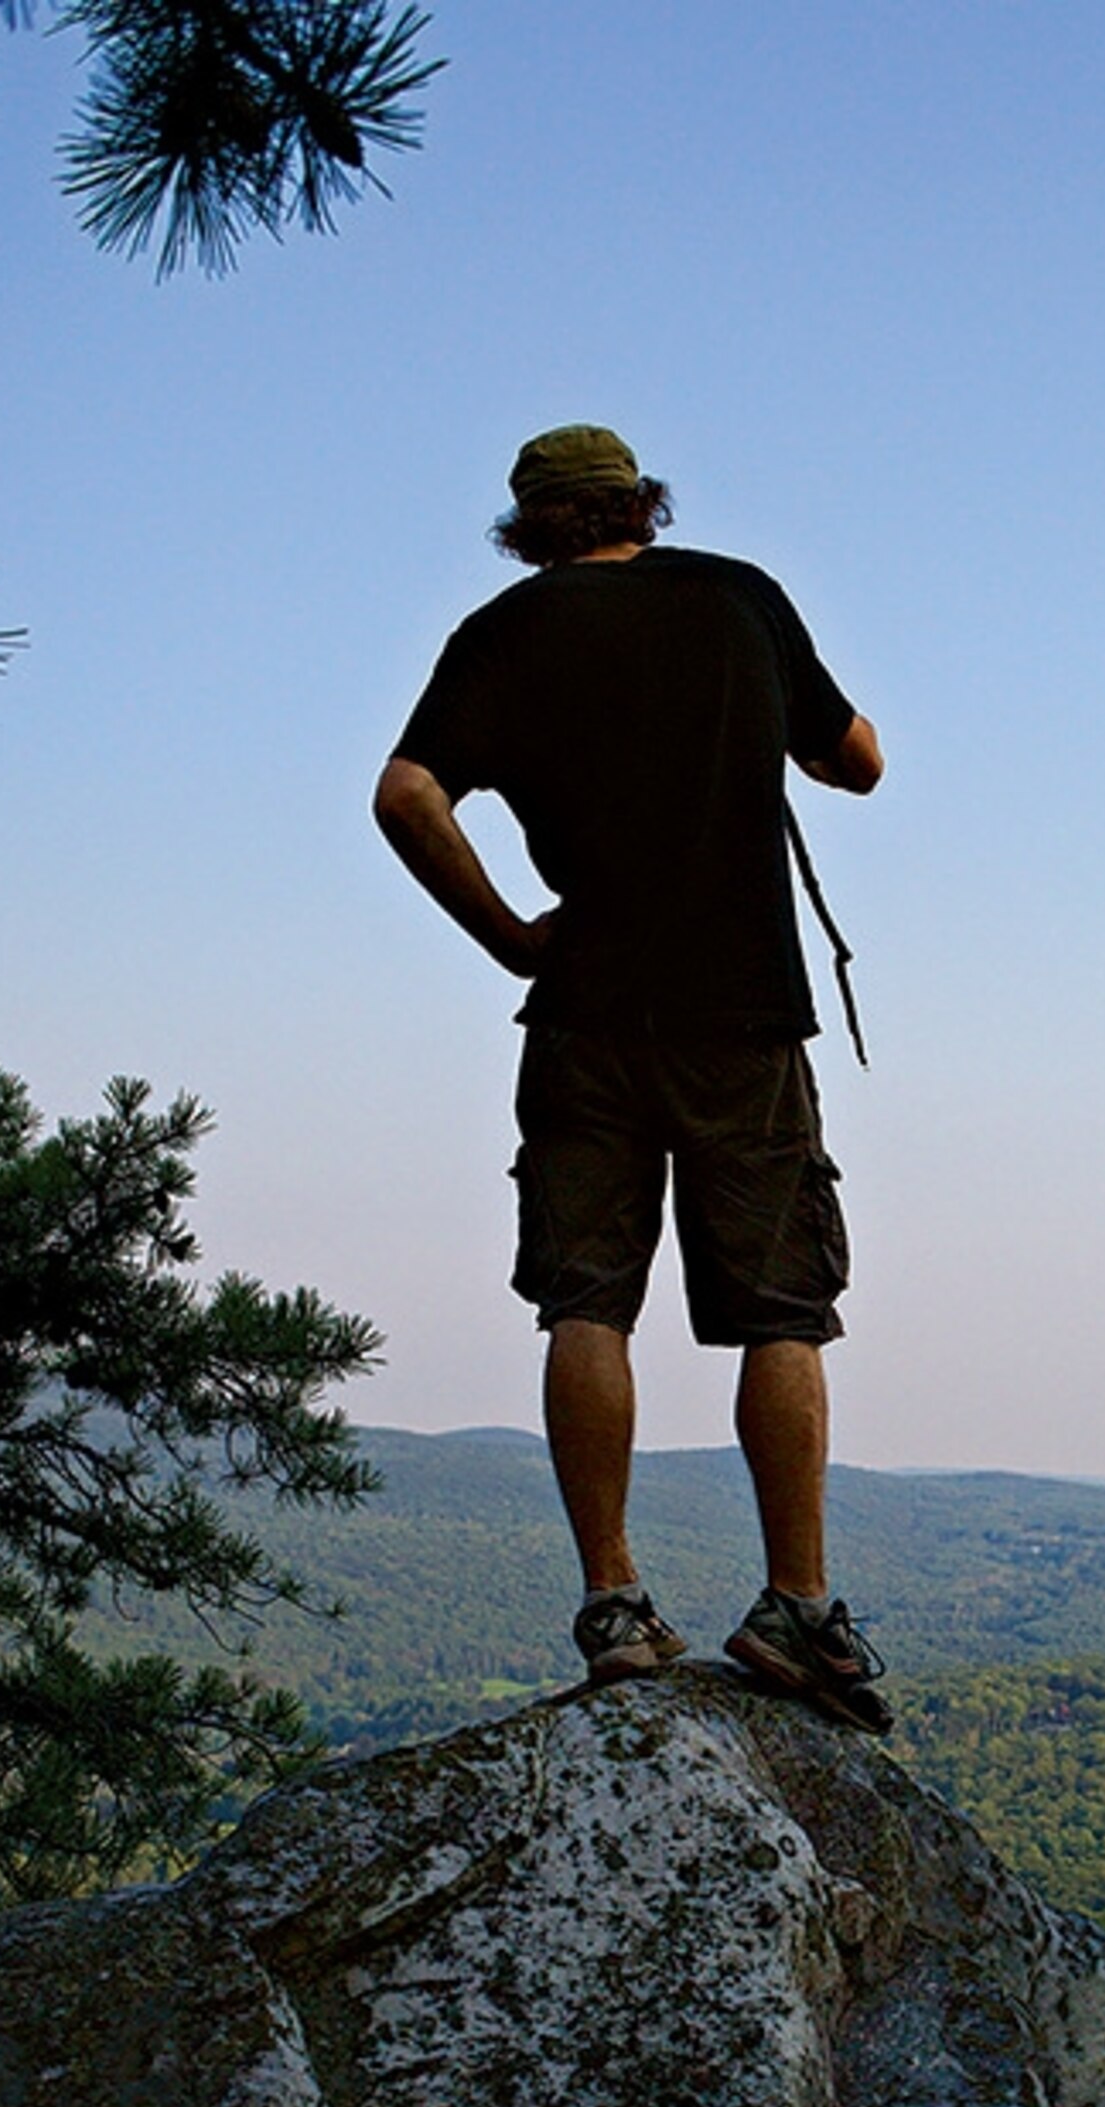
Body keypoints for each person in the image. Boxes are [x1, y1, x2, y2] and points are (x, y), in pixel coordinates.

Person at [374, 423, 891, 1732]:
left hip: (588, 1009)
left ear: (530, 527)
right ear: (639, 508)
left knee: (586, 1299)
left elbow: (406, 795)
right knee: (782, 1306)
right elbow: (860, 759)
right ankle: (800, 1609)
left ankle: (614, 1604)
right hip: (742, 1015)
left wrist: (508, 935)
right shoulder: (738, 599)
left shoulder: (506, 634)